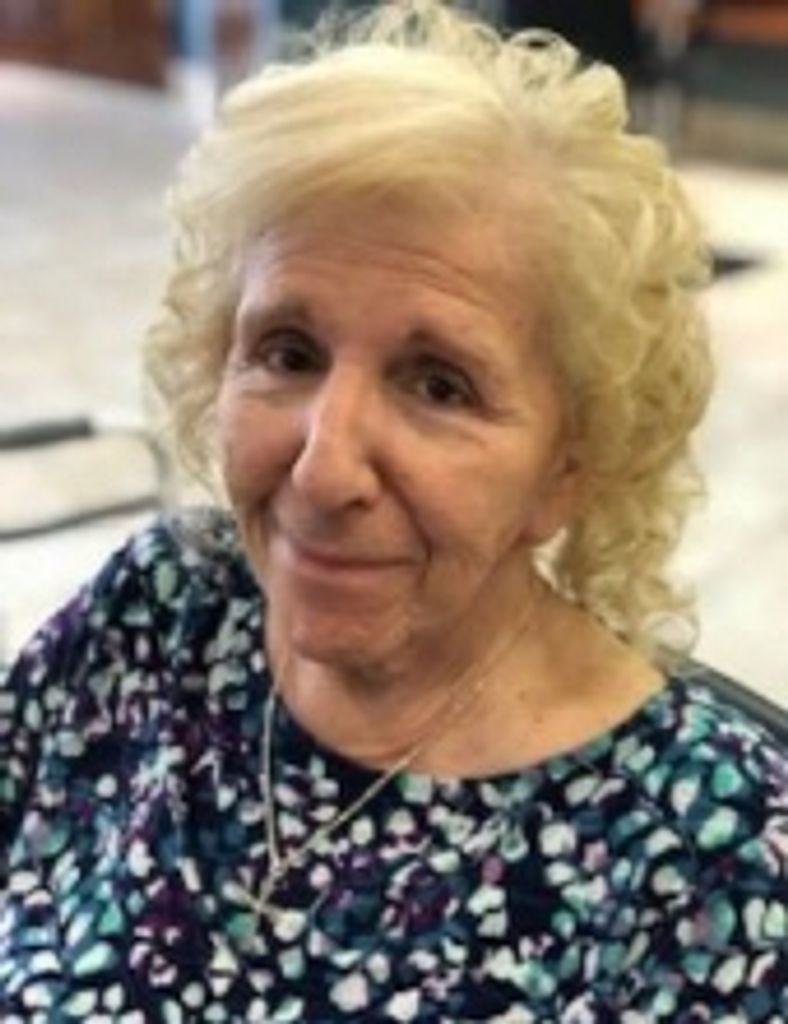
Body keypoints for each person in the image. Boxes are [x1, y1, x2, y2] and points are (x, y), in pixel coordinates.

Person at [1, 1, 785, 1019]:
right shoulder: (162, 611)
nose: (324, 470)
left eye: (438, 385)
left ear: (570, 464)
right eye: (288, 352)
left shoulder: (712, 867)